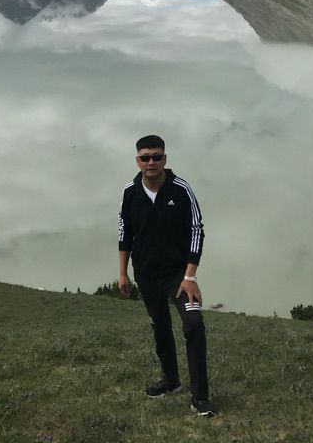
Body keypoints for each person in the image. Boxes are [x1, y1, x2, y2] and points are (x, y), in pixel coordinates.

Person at [118, 134, 217, 417]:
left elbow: (197, 230)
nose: (151, 162)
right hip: (146, 274)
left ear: (165, 159)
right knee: (160, 327)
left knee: (193, 324)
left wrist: (190, 277)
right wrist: (123, 273)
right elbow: (125, 232)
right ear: (137, 161)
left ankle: (200, 398)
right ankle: (171, 381)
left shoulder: (181, 189)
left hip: (178, 275)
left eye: (156, 157)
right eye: (145, 157)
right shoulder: (130, 192)